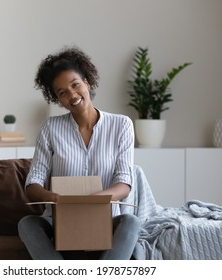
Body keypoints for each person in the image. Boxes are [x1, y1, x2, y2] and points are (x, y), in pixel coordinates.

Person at [18, 46, 140, 260]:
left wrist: (94, 200)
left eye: (75, 85)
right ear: (57, 99)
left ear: (87, 82)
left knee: (131, 222)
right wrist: (54, 198)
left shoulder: (121, 125)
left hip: (105, 219)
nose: (72, 95)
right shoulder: (50, 128)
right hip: (60, 220)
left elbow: (124, 183)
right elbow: (33, 184)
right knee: (27, 224)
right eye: (62, 93)